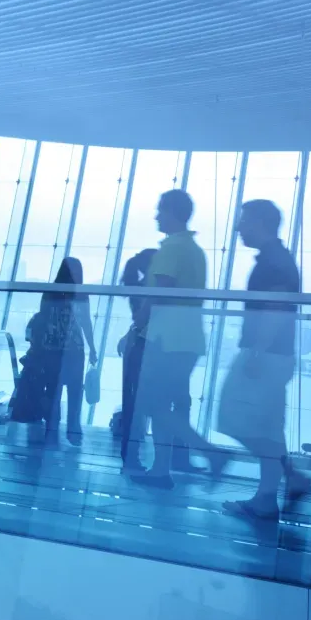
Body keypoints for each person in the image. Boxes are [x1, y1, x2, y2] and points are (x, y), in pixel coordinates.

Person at [217, 200, 311, 519]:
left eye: (244, 221)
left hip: (266, 355)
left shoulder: (274, 261)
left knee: (232, 416)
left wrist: (257, 350)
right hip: (277, 355)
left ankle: (288, 480)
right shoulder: (277, 258)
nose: (238, 227)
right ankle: (269, 496)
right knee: (270, 428)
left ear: (261, 222)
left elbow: (275, 308)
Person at [130, 189, 226, 489]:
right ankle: (161, 470)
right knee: (161, 404)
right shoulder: (195, 250)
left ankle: (208, 452)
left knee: (152, 404)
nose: (156, 215)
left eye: (160, 210)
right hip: (188, 339)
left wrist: (137, 325)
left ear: (172, 212)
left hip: (166, 340)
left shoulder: (171, 249)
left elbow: (160, 293)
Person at [43, 258, 97, 445]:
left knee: (53, 389)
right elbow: (85, 322)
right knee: (74, 390)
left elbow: (43, 318)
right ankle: (73, 429)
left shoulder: (51, 291)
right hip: (74, 348)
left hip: (52, 348)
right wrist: (92, 347)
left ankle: (52, 428)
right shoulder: (81, 293)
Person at [115, 248, 157, 460]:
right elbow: (146, 321)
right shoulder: (151, 292)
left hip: (137, 345)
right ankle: (130, 454)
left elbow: (137, 322)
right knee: (142, 402)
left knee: (133, 400)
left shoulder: (138, 289)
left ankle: (129, 454)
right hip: (144, 347)